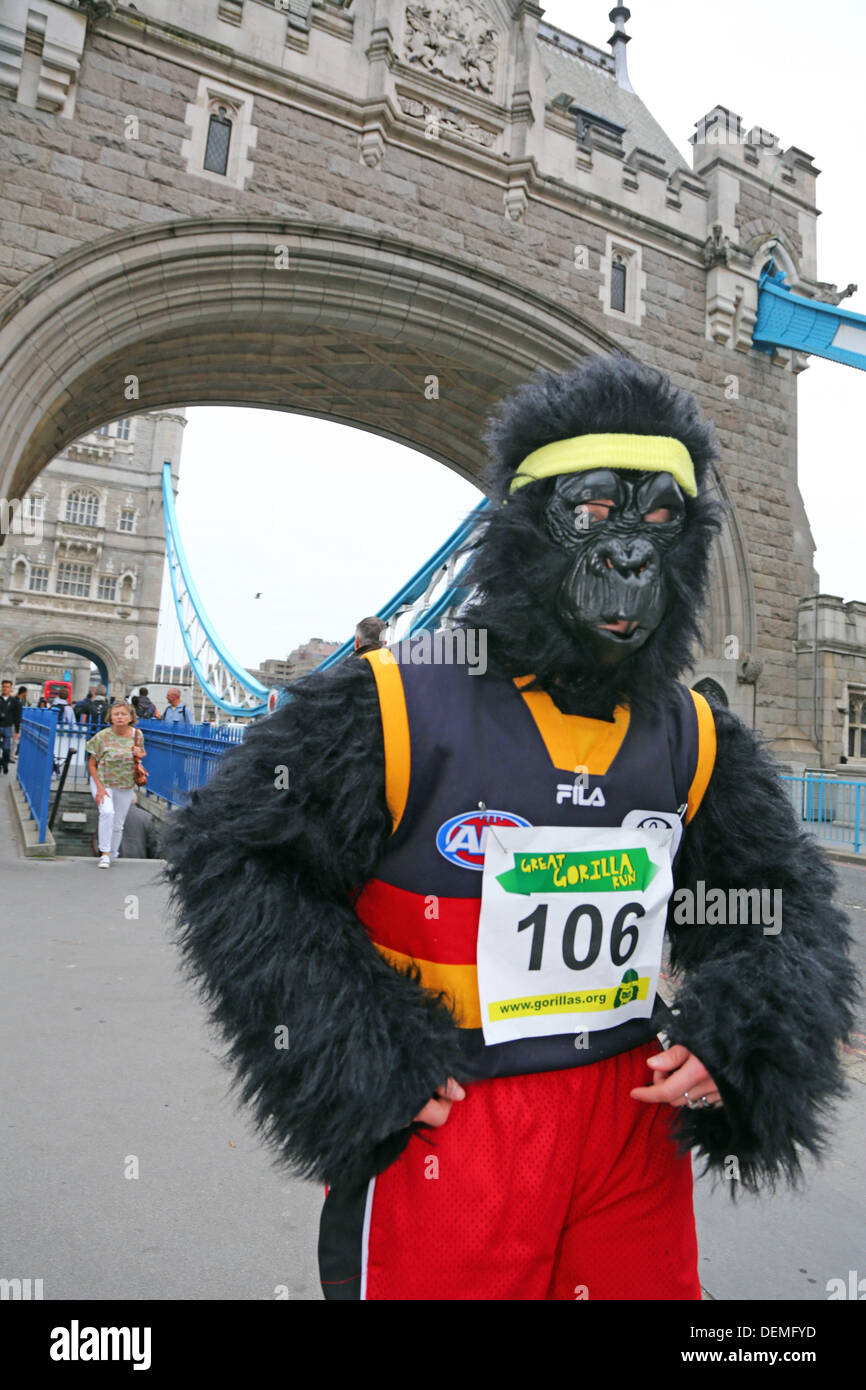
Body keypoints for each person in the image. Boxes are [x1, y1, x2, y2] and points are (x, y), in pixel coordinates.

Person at [163, 355, 856, 1301]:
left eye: (662, 517)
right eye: (596, 511)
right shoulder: (394, 702)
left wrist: (749, 1033)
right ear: (530, 525)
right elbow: (237, 858)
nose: (631, 549)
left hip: (626, 1120)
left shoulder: (695, 738)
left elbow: (777, 906)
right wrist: (361, 1055)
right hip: (455, 1122)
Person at [86, 700, 146, 868]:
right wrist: (98, 786)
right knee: (107, 812)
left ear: (130, 717)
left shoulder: (137, 735)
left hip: (125, 784)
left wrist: (139, 753)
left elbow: (142, 753)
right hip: (103, 781)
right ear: (110, 717)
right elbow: (91, 763)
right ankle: (104, 853)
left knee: (118, 823)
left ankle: (113, 853)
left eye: (123, 714)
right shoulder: (102, 736)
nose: (120, 717)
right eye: (116, 714)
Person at [0, 679, 22, 775]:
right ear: (1, 687)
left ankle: (4, 764)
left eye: (7, 687)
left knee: (6, 748)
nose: (5, 688)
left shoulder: (15, 702)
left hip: (8, 727)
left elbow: (17, 718)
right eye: (4, 686)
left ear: (11, 689)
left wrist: (17, 731)